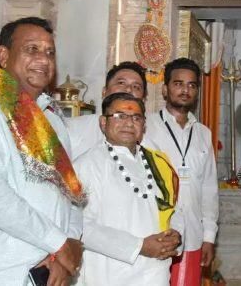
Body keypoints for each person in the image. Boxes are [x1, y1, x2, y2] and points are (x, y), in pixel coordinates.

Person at [0, 17, 85, 285]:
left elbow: (70, 192)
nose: (43, 59)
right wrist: (57, 243)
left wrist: (71, 244)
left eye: (50, 52)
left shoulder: (52, 116)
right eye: (32, 49)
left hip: (50, 269)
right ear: (3, 55)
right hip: (4, 269)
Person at [74, 92, 181, 285]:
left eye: (136, 117)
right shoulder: (86, 166)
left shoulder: (158, 162)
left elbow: (175, 209)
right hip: (110, 273)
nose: (129, 123)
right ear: (103, 122)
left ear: (144, 125)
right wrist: (139, 247)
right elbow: (79, 226)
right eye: (120, 116)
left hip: (155, 273)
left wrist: (176, 235)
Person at [141, 58, 219, 286]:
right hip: (157, 235)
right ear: (165, 89)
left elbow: (209, 189)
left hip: (193, 235)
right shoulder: (147, 127)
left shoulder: (203, 133)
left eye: (192, 85)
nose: (185, 90)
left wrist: (209, 237)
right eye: (178, 84)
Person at [67, 61, 147, 160]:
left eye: (136, 87)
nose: (129, 90)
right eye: (121, 83)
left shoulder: (149, 148)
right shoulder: (72, 130)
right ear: (104, 92)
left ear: (143, 100)